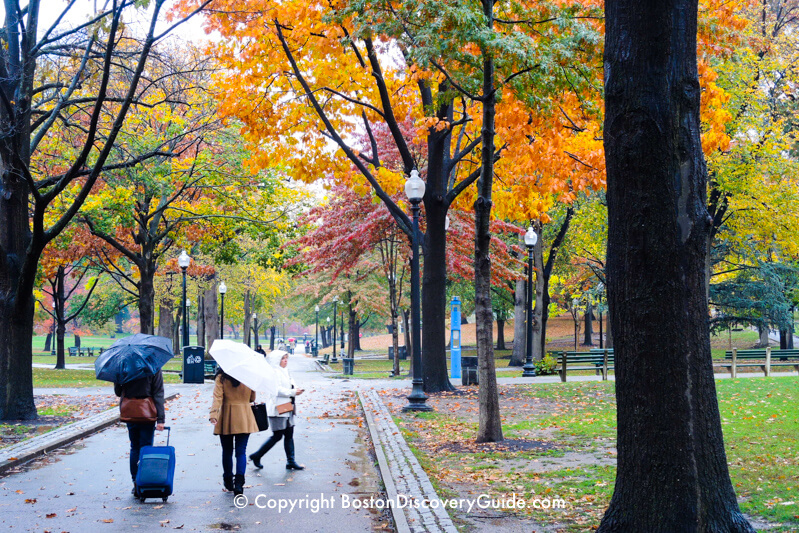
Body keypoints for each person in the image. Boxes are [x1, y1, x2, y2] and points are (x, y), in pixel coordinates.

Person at [249, 352, 305, 470]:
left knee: (289, 434)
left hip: (288, 405)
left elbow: (291, 385)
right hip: (277, 407)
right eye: (283, 359)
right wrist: (293, 392)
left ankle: (291, 461)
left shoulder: (286, 371)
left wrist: (296, 389)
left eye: (286, 358)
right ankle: (257, 455)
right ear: (277, 360)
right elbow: (277, 389)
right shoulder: (274, 372)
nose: (285, 360)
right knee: (277, 435)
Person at [114, 371, 165, 495]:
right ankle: (144, 481)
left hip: (130, 410)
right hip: (147, 412)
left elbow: (118, 392)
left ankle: (135, 482)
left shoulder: (124, 366)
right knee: (146, 448)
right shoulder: (153, 367)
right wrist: (161, 419)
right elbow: (158, 393)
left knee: (135, 447)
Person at [209, 369, 259, 495]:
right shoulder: (248, 375)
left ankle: (228, 481)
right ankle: (239, 483)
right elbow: (252, 398)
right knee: (241, 451)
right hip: (244, 416)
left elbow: (218, 397)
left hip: (227, 416)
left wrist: (214, 413)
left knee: (227, 451)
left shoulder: (221, 377)